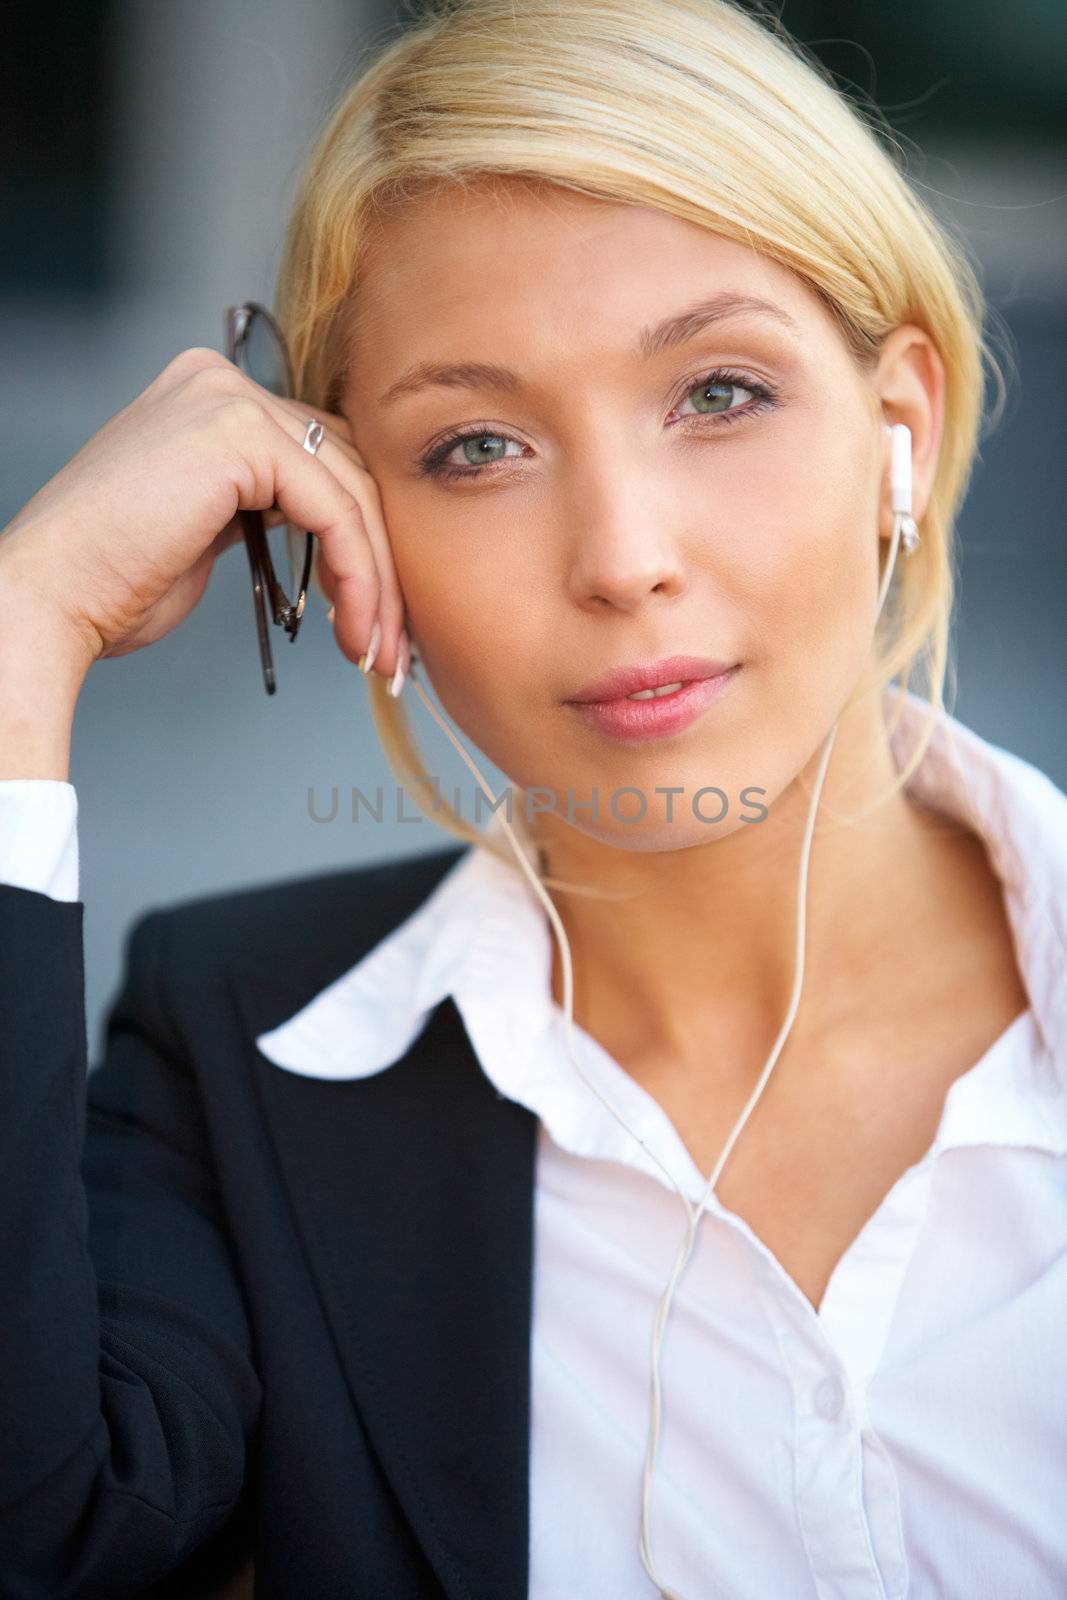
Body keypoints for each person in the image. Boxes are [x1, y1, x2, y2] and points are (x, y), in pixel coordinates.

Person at [0, 0, 1064, 1595]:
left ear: (898, 431)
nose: (623, 555)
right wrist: (27, 622)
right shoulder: (237, 1048)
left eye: (719, 393)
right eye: (478, 446)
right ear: (343, 520)